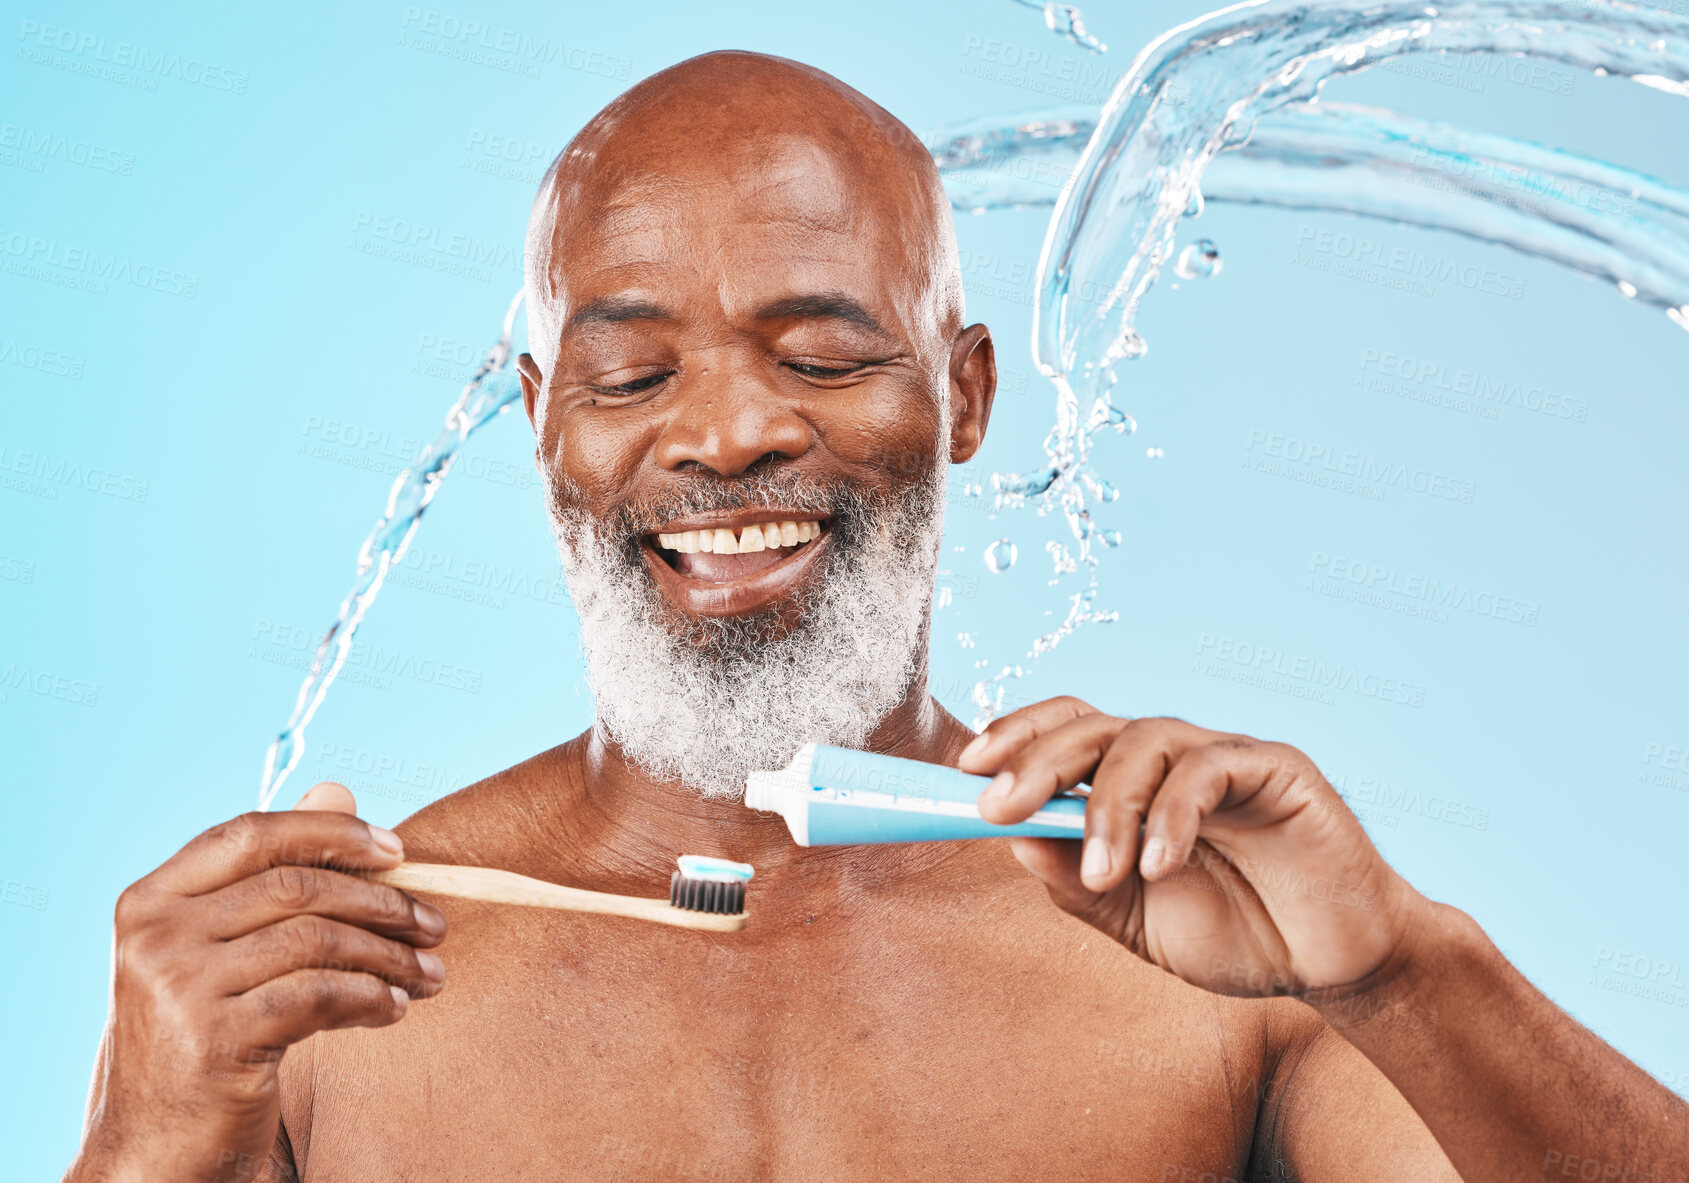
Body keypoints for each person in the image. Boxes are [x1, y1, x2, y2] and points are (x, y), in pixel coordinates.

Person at [65, 51, 1688, 1183]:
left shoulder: (1202, 967)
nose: (724, 437)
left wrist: (1403, 971)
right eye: (633, 374)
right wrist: (140, 1147)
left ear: (964, 395)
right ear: (542, 420)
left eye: (824, 355)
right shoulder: (342, 989)